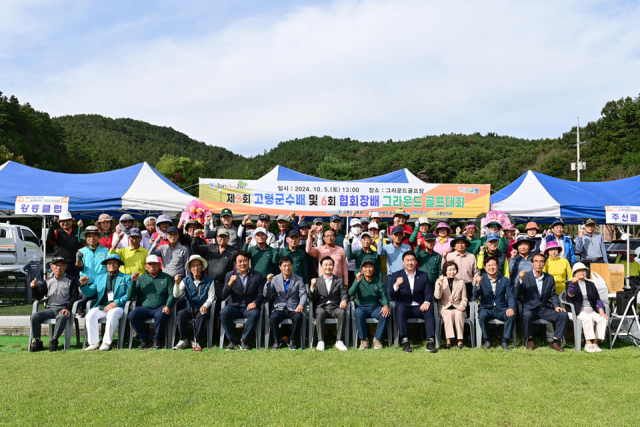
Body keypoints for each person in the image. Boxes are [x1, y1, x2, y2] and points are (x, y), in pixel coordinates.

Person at [516, 253, 568, 351]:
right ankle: (530, 339)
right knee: (527, 315)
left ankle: (555, 341)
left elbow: (553, 295)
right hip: (530, 308)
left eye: (541, 261)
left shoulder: (549, 278)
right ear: (532, 263)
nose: (539, 264)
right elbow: (518, 295)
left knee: (563, 315)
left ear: (544, 264)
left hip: (545, 308)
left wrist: (556, 306)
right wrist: (521, 281)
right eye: (536, 261)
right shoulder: (526, 276)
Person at [388, 251, 437, 353]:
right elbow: (391, 295)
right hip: (404, 306)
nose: (410, 263)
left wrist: (427, 302)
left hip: (419, 306)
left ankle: (430, 342)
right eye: (407, 260)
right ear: (403, 262)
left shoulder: (423, 275)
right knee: (400, 309)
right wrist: (396, 285)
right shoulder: (396, 275)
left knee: (429, 310)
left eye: (412, 260)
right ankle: (405, 341)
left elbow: (428, 292)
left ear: (416, 262)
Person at [81, 254, 131, 351]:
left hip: (119, 307)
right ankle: (94, 343)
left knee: (112, 314)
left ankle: (106, 343)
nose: (111, 265)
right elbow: (90, 292)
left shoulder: (126, 278)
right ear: (106, 265)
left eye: (114, 263)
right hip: (102, 306)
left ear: (119, 265)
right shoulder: (99, 277)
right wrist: (84, 285)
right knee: (90, 314)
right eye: (109, 263)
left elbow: (129, 295)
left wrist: (115, 303)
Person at [29, 257, 79, 352]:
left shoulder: (71, 280)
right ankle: (37, 341)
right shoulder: (48, 280)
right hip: (51, 309)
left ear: (65, 267)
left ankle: (54, 340)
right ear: (52, 267)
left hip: (64, 308)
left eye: (61, 265)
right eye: (56, 266)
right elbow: (39, 296)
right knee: (34, 316)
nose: (58, 268)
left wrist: (68, 308)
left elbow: (74, 297)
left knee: (61, 317)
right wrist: (34, 288)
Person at [190, 227, 237, 327]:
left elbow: (237, 266)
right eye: (220, 237)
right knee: (210, 306)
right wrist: (195, 237)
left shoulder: (233, 251)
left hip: (224, 283)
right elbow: (194, 249)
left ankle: (220, 331)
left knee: (221, 306)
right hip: (210, 282)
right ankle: (209, 331)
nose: (222, 239)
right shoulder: (210, 247)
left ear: (228, 238)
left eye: (225, 237)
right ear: (216, 238)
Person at [127, 255, 175, 349]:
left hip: (161, 307)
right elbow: (131, 294)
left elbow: (172, 294)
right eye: (150, 264)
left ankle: (157, 340)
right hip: (145, 308)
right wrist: (133, 282)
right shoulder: (141, 278)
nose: (152, 266)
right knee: (133, 315)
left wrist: (168, 306)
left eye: (155, 264)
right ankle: (145, 340)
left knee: (162, 315)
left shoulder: (167, 278)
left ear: (159, 265)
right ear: (146, 266)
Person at [220, 251, 266, 350]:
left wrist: (255, 302)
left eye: (245, 261)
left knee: (255, 313)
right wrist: (230, 283)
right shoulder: (229, 275)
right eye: (240, 261)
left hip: (249, 307)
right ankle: (232, 340)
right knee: (224, 312)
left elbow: (261, 293)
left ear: (248, 262)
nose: (242, 264)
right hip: (234, 306)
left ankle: (244, 340)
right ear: (236, 263)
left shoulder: (257, 275)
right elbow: (224, 294)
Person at [172, 255, 215, 351]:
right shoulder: (185, 280)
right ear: (190, 268)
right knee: (180, 314)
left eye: (198, 265)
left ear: (202, 267)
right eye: (193, 266)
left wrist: (205, 305)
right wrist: (176, 284)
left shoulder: (209, 280)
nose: (196, 268)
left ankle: (196, 340)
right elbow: (176, 295)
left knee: (202, 314)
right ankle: (182, 340)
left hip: (202, 307)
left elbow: (211, 297)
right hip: (189, 307)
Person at [264, 256, 306, 350]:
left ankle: (292, 340)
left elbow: (303, 294)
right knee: (273, 317)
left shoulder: (298, 279)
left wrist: (301, 304)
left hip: (293, 307)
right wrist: (268, 283)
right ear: (280, 267)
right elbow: (266, 294)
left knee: (298, 317)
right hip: (279, 307)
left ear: (292, 266)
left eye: (289, 265)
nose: (287, 268)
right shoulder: (275, 279)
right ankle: (276, 340)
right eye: (284, 266)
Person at [474, 256, 515, 350]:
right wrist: (478, 285)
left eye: (493, 265)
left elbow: (510, 296)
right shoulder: (481, 279)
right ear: (485, 267)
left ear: (497, 266)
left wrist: (511, 308)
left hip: (501, 308)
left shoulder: (504, 280)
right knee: (482, 316)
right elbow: (475, 295)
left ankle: (505, 341)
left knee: (511, 316)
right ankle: (487, 340)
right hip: (486, 308)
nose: (491, 267)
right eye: (489, 265)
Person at [566, 262, 608, 353]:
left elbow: (597, 299)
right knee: (588, 318)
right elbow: (570, 294)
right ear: (575, 273)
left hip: (591, 310)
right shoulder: (570, 283)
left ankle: (595, 342)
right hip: (578, 311)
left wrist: (601, 311)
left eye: (583, 271)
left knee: (603, 319)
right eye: (579, 271)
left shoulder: (591, 284)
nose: (581, 273)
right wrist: (573, 283)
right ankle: (588, 342)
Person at [308, 256, 348, 351]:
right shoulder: (317, 281)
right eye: (325, 265)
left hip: (335, 307)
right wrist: (312, 287)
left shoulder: (339, 280)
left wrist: (343, 300)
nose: (328, 267)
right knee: (320, 313)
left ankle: (339, 340)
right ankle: (320, 341)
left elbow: (344, 293)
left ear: (333, 266)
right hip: (321, 307)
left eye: (330, 264)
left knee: (341, 312)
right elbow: (311, 298)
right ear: (321, 267)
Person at [349, 257, 390, 350]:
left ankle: (377, 339)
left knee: (385, 314)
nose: (368, 269)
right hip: (361, 307)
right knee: (358, 313)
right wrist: (357, 281)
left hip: (375, 307)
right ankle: (363, 340)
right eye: (366, 267)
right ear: (362, 269)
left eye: (370, 267)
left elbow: (383, 296)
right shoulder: (358, 280)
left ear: (373, 269)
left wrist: (386, 306)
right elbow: (350, 293)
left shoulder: (377, 282)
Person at [434, 261, 468, 349]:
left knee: (459, 314)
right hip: (445, 307)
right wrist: (440, 284)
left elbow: (464, 298)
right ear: (445, 271)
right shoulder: (439, 281)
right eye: (450, 270)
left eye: (454, 270)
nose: (452, 272)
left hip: (457, 307)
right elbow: (437, 296)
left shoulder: (461, 282)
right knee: (448, 314)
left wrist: (462, 306)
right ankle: (448, 341)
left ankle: (460, 341)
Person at [47, 212, 84, 279]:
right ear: (59, 223)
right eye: (62, 221)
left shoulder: (77, 232)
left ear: (72, 221)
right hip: (61, 265)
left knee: (75, 285)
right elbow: (51, 239)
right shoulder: (57, 232)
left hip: (75, 265)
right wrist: (52, 226)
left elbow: (83, 245)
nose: (65, 223)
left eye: (68, 221)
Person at [443, 235, 480, 301]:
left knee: (467, 306)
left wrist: (474, 285)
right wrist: (444, 258)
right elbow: (444, 269)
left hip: (468, 285)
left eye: (462, 243)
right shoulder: (449, 256)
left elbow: (476, 272)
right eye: (458, 243)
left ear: (465, 244)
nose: (460, 245)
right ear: (455, 245)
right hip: (453, 284)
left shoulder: (471, 256)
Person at [344, 218, 364, 284]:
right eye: (354, 226)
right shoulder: (347, 238)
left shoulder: (363, 237)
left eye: (358, 226)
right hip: (349, 268)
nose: (356, 227)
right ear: (350, 227)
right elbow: (346, 253)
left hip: (361, 267)